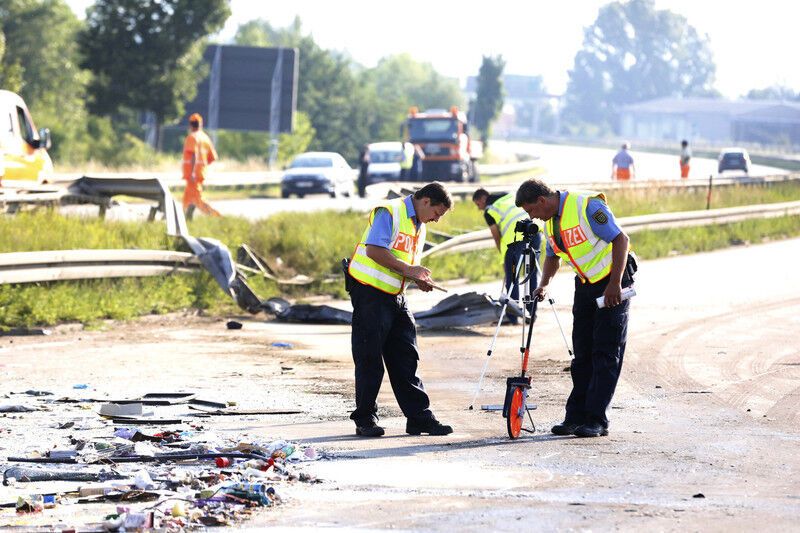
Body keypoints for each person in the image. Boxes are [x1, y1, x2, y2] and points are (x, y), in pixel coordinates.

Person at [515, 179, 635, 438]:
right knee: (581, 356)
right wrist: (544, 284)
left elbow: (621, 240)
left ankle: (596, 420)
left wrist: (614, 283)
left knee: (605, 353)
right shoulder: (550, 221)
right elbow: (552, 255)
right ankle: (575, 417)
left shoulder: (588, 206)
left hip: (612, 283)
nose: (531, 217)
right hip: (585, 285)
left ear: (542, 201)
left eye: (531, 211)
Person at [346, 182, 454, 437]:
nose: (436, 220)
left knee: (406, 358)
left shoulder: (419, 224)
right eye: (437, 213)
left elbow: (402, 261)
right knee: (369, 359)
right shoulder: (390, 212)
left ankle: (419, 418)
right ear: (425, 201)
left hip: (396, 296)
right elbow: (374, 250)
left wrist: (416, 277)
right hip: (370, 294)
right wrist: (409, 271)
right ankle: (365, 420)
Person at [472, 187, 539, 325]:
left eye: (478, 204)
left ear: (483, 198)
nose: (479, 209)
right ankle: (531, 314)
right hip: (534, 232)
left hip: (514, 241)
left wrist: (502, 255)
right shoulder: (509, 195)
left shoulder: (489, 210)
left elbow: (496, 235)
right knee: (531, 273)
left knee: (512, 278)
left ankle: (512, 317)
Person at [182, 113, 221, 220]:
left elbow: (193, 155)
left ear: (190, 125)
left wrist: (193, 172)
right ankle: (184, 220)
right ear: (200, 124)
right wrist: (201, 167)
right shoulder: (205, 138)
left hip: (192, 176)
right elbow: (212, 158)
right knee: (187, 200)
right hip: (198, 174)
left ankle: (217, 217)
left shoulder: (192, 137)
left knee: (198, 200)